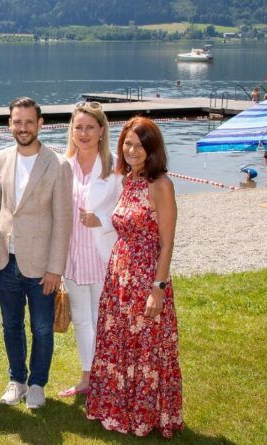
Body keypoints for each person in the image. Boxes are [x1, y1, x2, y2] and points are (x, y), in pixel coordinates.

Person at [86, 116, 183, 438]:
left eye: (139, 145)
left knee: (145, 348)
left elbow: (167, 242)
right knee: (120, 345)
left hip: (146, 277)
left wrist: (158, 287)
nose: (132, 150)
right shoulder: (128, 180)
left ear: (152, 148)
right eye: (127, 144)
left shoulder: (161, 185)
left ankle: (146, 415)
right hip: (119, 275)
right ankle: (117, 409)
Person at [0, 97, 72, 409]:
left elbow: (63, 221)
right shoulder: (0, 159)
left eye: (28, 122)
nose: (22, 128)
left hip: (41, 263)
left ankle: (37, 384)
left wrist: (55, 268)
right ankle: (17, 380)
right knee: (10, 325)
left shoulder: (58, 164)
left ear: (40, 124)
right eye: (16, 122)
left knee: (42, 328)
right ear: (10, 124)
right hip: (6, 258)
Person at [58, 102, 123, 398]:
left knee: (102, 318)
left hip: (100, 254)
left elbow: (129, 209)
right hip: (71, 256)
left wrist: (104, 220)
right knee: (81, 319)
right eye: (78, 127)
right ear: (71, 131)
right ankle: (87, 377)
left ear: (101, 131)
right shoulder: (63, 166)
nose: (83, 133)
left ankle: (107, 377)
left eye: (89, 127)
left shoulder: (115, 167)